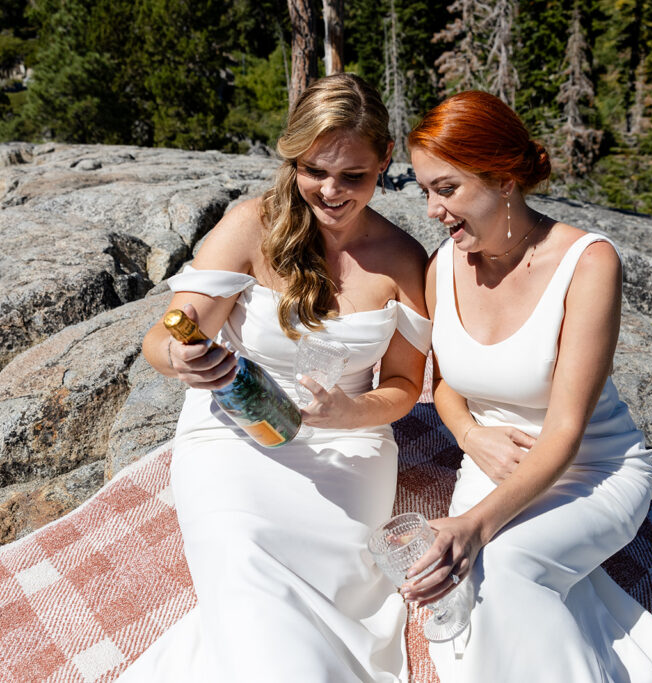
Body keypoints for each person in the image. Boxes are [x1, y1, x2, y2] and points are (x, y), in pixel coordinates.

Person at [403, 91, 652, 683]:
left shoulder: (588, 262)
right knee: (464, 603)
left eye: (447, 189)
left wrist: (474, 526)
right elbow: (442, 384)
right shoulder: (442, 265)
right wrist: (471, 436)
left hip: (593, 471)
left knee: (505, 565)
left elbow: (567, 429)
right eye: (425, 191)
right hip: (489, 467)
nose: (432, 210)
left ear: (503, 177)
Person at [122, 74, 431, 682]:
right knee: (241, 558)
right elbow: (164, 336)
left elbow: (403, 384)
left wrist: (351, 412)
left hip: (350, 446)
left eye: (354, 175)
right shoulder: (249, 225)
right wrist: (180, 358)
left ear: (386, 162)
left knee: (339, 590)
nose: (332, 191)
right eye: (315, 170)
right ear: (293, 157)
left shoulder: (403, 259)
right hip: (233, 437)